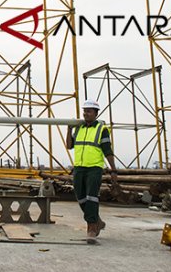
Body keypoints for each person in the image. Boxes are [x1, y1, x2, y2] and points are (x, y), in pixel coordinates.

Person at [65, 99, 118, 244]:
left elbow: (107, 150)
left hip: (94, 168)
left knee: (91, 197)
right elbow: (69, 146)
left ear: (95, 113)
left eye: (88, 111)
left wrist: (113, 170)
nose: (85, 113)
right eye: (84, 111)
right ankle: (97, 220)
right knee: (80, 197)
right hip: (79, 167)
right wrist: (69, 129)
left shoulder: (102, 129)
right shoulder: (79, 128)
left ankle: (92, 229)